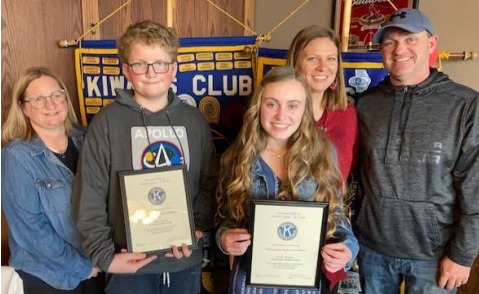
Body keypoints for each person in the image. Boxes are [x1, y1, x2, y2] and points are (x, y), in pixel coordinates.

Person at [71, 20, 217, 294]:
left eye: (160, 63)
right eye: (140, 64)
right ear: (126, 69)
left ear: (173, 68)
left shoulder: (194, 121)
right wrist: (106, 257)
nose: (151, 73)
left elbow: (209, 183)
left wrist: (194, 226)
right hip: (129, 266)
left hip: (183, 263)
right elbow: (89, 195)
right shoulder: (106, 122)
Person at [356, 8, 479, 293]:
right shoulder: (365, 105)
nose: (400, 49)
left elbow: (476, 187)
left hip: (435, 256)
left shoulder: (466, 105)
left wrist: (462, 255)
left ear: (432, 43)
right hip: (372, 250)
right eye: (390, 42)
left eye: (410, 39)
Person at [215, 66, 359, 294]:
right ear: (258, 107)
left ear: (304, 110)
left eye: (292, 105)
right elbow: (226, 220)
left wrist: (348, 250)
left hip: (303, 285)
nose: (281, 115)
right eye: (271, 104)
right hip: (251, 285)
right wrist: (224, 239)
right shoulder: (237, 157)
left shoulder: (323, 153)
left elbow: (337, 217)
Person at [1, 67, 104, 293]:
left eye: (56, 95)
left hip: (97, 266)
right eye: (39, 99)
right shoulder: (16, 156)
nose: (51, 104)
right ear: (24, 108)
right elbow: (31, 232)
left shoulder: (88, 139)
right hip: (51, 278)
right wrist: (83, 267)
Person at [286, 25, 358, 182]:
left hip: (332, 205)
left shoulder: (347, 114)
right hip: (282, 205)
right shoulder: (276, 111)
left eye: (331, 59)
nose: (323, 67)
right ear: (295, 63)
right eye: (312, 58)